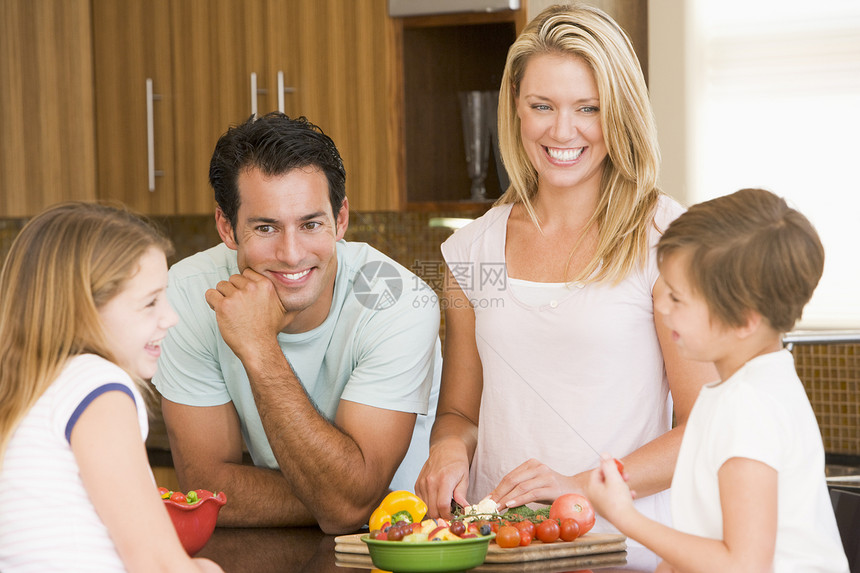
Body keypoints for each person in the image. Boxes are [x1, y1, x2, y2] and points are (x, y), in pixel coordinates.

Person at [415, 1, 715, 553]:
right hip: (501, 550)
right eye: (542, 105)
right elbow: (460, 410)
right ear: (517, 110)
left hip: (626, 551)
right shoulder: (471, 249)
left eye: (588, 108)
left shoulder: (668, 239)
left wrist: (577, 489)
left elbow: (704, 427)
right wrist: (450, 449)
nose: (562, 130)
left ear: (618, 112)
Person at [152, 112, 441, 534]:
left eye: (310, 224)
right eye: (266, 227)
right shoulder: (187, 294)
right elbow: (206, 487)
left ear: (340, 219)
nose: (291, 253)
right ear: (226, 228)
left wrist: (258, 346)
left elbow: (349, 510)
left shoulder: (399, 301)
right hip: (273, 549)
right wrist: (344, 496)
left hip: (397, 548)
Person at [586, 188, 849, 572]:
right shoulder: (738, 390)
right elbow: (707, 542)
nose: (660, 305)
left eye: (678, 299)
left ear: (744, 319)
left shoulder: (750, 407)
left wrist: (626, 518)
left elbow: (743, 565)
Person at [0, 202, 222, 572]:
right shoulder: (97, 386)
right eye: (150, 302)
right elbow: (158, 566)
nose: (171, 317)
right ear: (84, 309)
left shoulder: (27, 390)